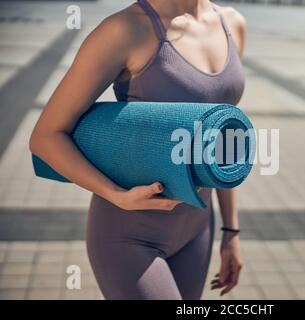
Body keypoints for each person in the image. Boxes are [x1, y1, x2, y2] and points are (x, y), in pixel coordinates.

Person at [29, 0, 246, 299]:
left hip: (198, 229)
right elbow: (45, 136)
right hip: (128, 234)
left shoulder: (232, 23)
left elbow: (223, 141)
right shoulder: (125, 29)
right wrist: (115, 195)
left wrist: (230, 232)